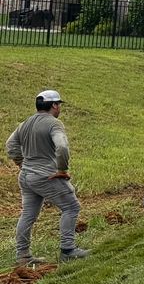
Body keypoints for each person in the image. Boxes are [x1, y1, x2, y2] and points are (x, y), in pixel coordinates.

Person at [6, 90, 86, 265]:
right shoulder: (54, 123)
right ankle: (68, 250)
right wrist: (62, 169)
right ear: (54, 105)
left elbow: (10, 145)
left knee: (27, 214)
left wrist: (21, 163)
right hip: (46, 176)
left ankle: (23, 256)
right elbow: (62, 147)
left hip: (26, 176)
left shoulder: (26, 123)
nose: (59, 109)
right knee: (71, 207)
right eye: (59, 105)